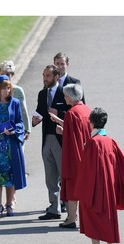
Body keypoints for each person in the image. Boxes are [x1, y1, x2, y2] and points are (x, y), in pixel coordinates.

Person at [74, 107, 124, 244]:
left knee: (91, 215)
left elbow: (87, 170)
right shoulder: (110, 141)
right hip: (109, 186)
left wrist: (82, 191)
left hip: (96, 188)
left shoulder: (92, 143)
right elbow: (119, 166)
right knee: (109, 216)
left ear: (91, 123)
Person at [49, 83, 92, 228]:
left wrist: (62, 131)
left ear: (70, 96)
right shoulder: (86, 110)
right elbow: (79, 130)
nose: (64, 97)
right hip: (87, 155)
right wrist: (60, 121)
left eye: (66, 95)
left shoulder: (72, 113)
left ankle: (71, 218)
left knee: (73, 188)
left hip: (75, 157)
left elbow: (73, 136)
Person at [0, 75, 27, 219]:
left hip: (10, 145)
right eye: (4, 88)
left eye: (9, 88)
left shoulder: (14, 103)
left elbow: (20, 122)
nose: (7, 91)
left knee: (10, 176)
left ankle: (9, 205)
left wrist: (14, 130)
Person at [32, 65, 69, 220]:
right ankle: (54, 208)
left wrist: (59, 113)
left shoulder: (65, 93)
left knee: (64, 175)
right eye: (43, 75)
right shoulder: (42, 94)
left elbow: (74, 115)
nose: (45, 78)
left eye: (48, 76)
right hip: (46, 139)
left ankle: (68, 205)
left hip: (60, 140)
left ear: (56, 76)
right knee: (50, 176)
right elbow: (39, 111)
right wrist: (34, 121)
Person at [53, 52, 85, 213]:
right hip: (53, 134)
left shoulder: (74, 83)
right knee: (55, 172)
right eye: (57, 64)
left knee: (69, 172)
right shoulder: (50, 81)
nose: (59, 66)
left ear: (67, 65)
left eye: (62, 64)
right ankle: (57, 203)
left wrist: (59, 115)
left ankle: (68, 205)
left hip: (69, 133)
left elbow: (81, 109)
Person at [0, 60, 31, 141]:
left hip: (16, 130)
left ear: (12, 75)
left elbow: (23, 110)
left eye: (7, 75)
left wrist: (27, 129)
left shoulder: (18, 90)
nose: (5, 77)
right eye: (2, 74)